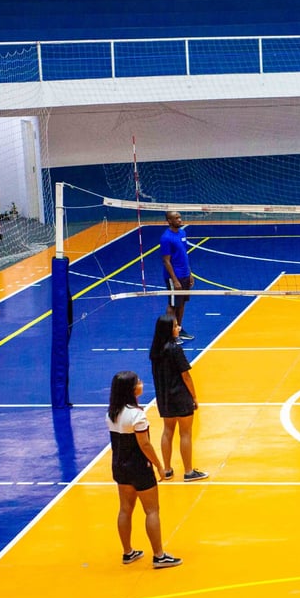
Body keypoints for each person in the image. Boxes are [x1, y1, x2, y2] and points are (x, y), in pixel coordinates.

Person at [106, 370, 182, 569]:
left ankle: (128, 552)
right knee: (152, 510)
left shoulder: (112, 413)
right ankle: (159, 556)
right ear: (131, 389)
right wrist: (159, 466)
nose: (141, 383)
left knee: (125, 509)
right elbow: (145, 445)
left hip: (119, 466)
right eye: (138, 382)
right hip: (139, 467)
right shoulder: (137, 415)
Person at [149, 314, 208, 482]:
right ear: (168, 330)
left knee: (167, 432)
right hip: (180, 396)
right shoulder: (175, 349)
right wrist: (194, 397)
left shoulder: (155, 350)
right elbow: (186, 376)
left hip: (164, 397)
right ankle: (189, 472)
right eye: (175, 326)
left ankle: (167, 470)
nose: (179, 328)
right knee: (185, 433)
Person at [159, 210, 195, 342]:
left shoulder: (182, 233)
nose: (180, 220)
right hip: (174, 277)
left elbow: (185, 254)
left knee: (181, 303)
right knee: (173, 305)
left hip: (185, 274)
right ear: (169, 221)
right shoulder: (166, 238)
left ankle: (179, 328)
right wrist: (175, 280)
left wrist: (190, 273)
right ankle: (171, 334)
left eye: (180, 217)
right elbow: (166, 261)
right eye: (176, 218)